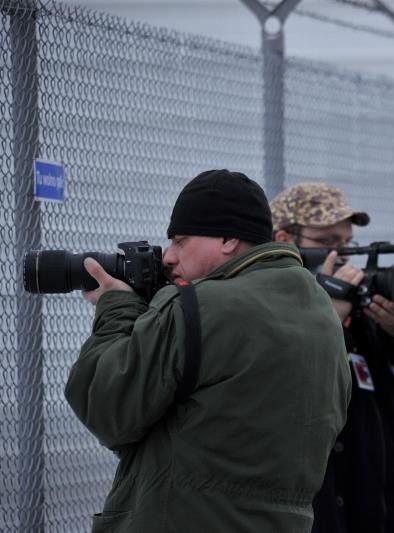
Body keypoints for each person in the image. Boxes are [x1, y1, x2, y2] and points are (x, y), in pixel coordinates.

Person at [64, 169, 351, 532]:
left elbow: (107, 407)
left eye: (181, 240)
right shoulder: (320, 312)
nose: (168, 257)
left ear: (229, 239)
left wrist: (117, 309)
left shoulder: (199, 306)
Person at [270, 182, 394, 533]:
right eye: (327, 243)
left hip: (386, 513)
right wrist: (328, 316)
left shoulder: (365, 310)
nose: (343, 254)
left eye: (346, 243)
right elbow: (280, 387)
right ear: (284, 240)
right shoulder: (269, 308)